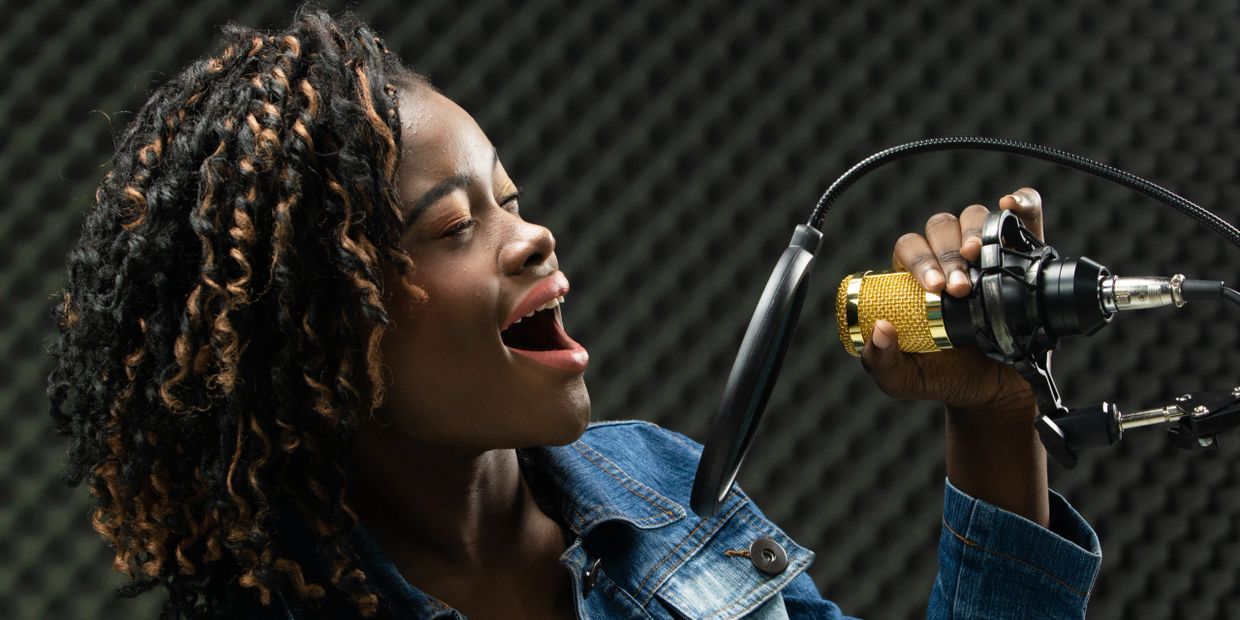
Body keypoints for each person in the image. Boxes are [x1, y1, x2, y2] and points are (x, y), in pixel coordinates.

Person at [46, 6, 1101, 619]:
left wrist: (993, 420)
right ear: (323, 324)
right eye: (454, 224)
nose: (532, 233)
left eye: (509, 196)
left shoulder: (662, 481)